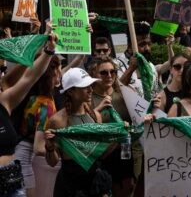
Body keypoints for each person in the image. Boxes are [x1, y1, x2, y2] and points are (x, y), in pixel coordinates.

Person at [0, 33, 57, 197]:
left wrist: (48, 51)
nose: (1, 74)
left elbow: (30, 77)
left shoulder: (4, 101)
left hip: (13, 184)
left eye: (2, 69)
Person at [44, 68, 112, 197]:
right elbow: (52, 162)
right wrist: (49, 146)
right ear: (70, 91)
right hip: (70, 185)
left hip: (94, 183)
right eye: (85, 86)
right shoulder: (57, 121)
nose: (91, 90)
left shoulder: (96, 116)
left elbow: (101, 155)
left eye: (90, 85)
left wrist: (118, 137)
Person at [14, 55, 61, 197]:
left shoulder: (35, 95)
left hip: (21, 155)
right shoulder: (45, 103)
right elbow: (38, 147)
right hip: (22, 159)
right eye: (59, 67)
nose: (62, 71)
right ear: (53, 72)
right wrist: (61, 149)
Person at [88, 57, 135, 197]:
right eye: (103, 72)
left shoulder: (124, 95)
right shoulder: (88, 98)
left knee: (127, 188)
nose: (109, 76)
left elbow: (137, 119)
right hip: (102, 156)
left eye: (112, 71)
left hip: (125, 150)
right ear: (94, 75)